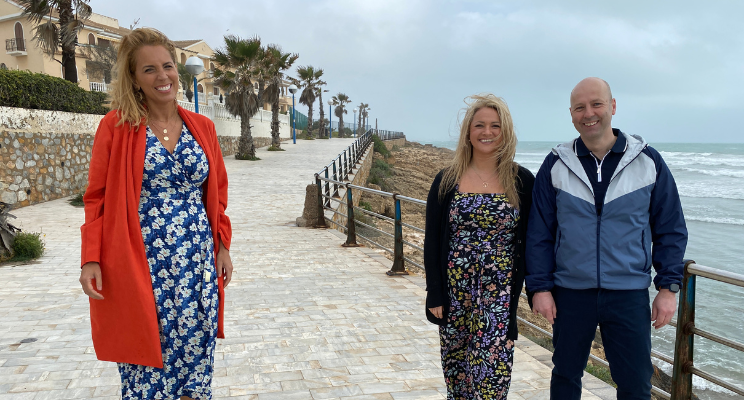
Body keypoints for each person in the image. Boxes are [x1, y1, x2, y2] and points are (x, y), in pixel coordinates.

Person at [78, 28, 233, 400]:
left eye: (167, 66)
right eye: (149, 69)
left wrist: (223, 246)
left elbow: (218, 194)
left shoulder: (203, 127)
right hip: (140, 262)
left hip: (197, 263)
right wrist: (91, 258)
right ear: (134, 78)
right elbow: (96, 198)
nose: (162, 76)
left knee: (195, 366)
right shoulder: (116, 126)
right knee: (147, 367)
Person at [526, 77, 688, 399]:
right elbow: (539, 232)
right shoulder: (556, 164)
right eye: (580, 107)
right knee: (565, 377)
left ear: (612, 106)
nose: (589, 113)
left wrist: (668, 288)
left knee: (635, 385)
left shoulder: (647, 161)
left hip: (628, 294)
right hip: (570, 293)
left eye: (596, 104)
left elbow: (670, 227)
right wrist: (540, 288)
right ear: (571, 114)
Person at [424, 94, 534, 399]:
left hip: (498, 296)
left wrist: (535, 291)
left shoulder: (522, 181)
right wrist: (435, 292)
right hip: (454, 294)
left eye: (495, 126)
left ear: (505, 132)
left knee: (492, 381)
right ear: (468, 132)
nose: (487, 132)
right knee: (458, 379)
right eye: (480, 125)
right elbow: (432, 240)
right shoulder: (447, 180)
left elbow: (533, 242)